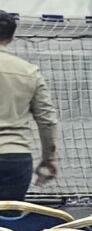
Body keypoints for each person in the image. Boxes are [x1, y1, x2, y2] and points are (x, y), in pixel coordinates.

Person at [0, 13, 60, 201]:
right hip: (14, 157)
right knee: (8, 218)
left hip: (14, 159)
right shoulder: (29, 71)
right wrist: (49, 158)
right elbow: (47, 121)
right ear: (11, 37)